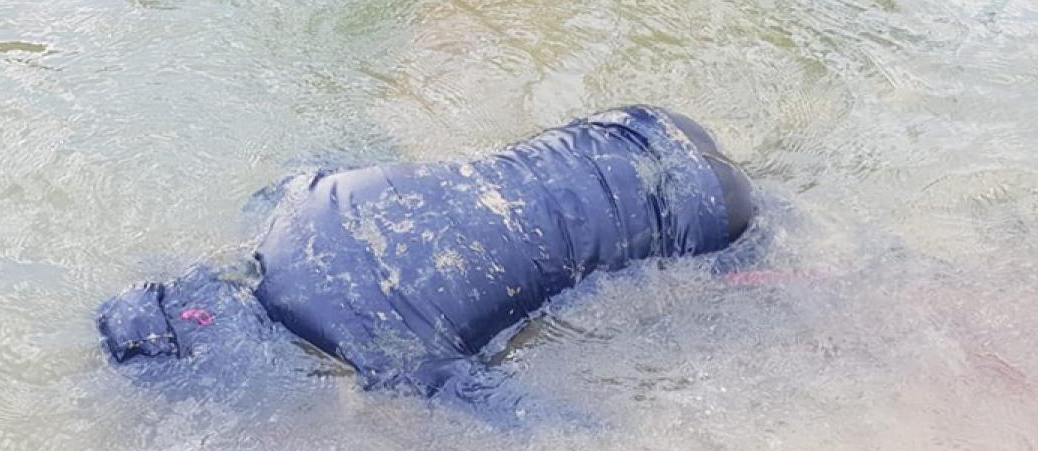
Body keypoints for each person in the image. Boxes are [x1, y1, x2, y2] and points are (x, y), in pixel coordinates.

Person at [97, 105, 759, 415]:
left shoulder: (383, 356)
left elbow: (546, 427)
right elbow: (353, 136)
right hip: (635, 124)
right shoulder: (294, 200)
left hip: (707, 212)